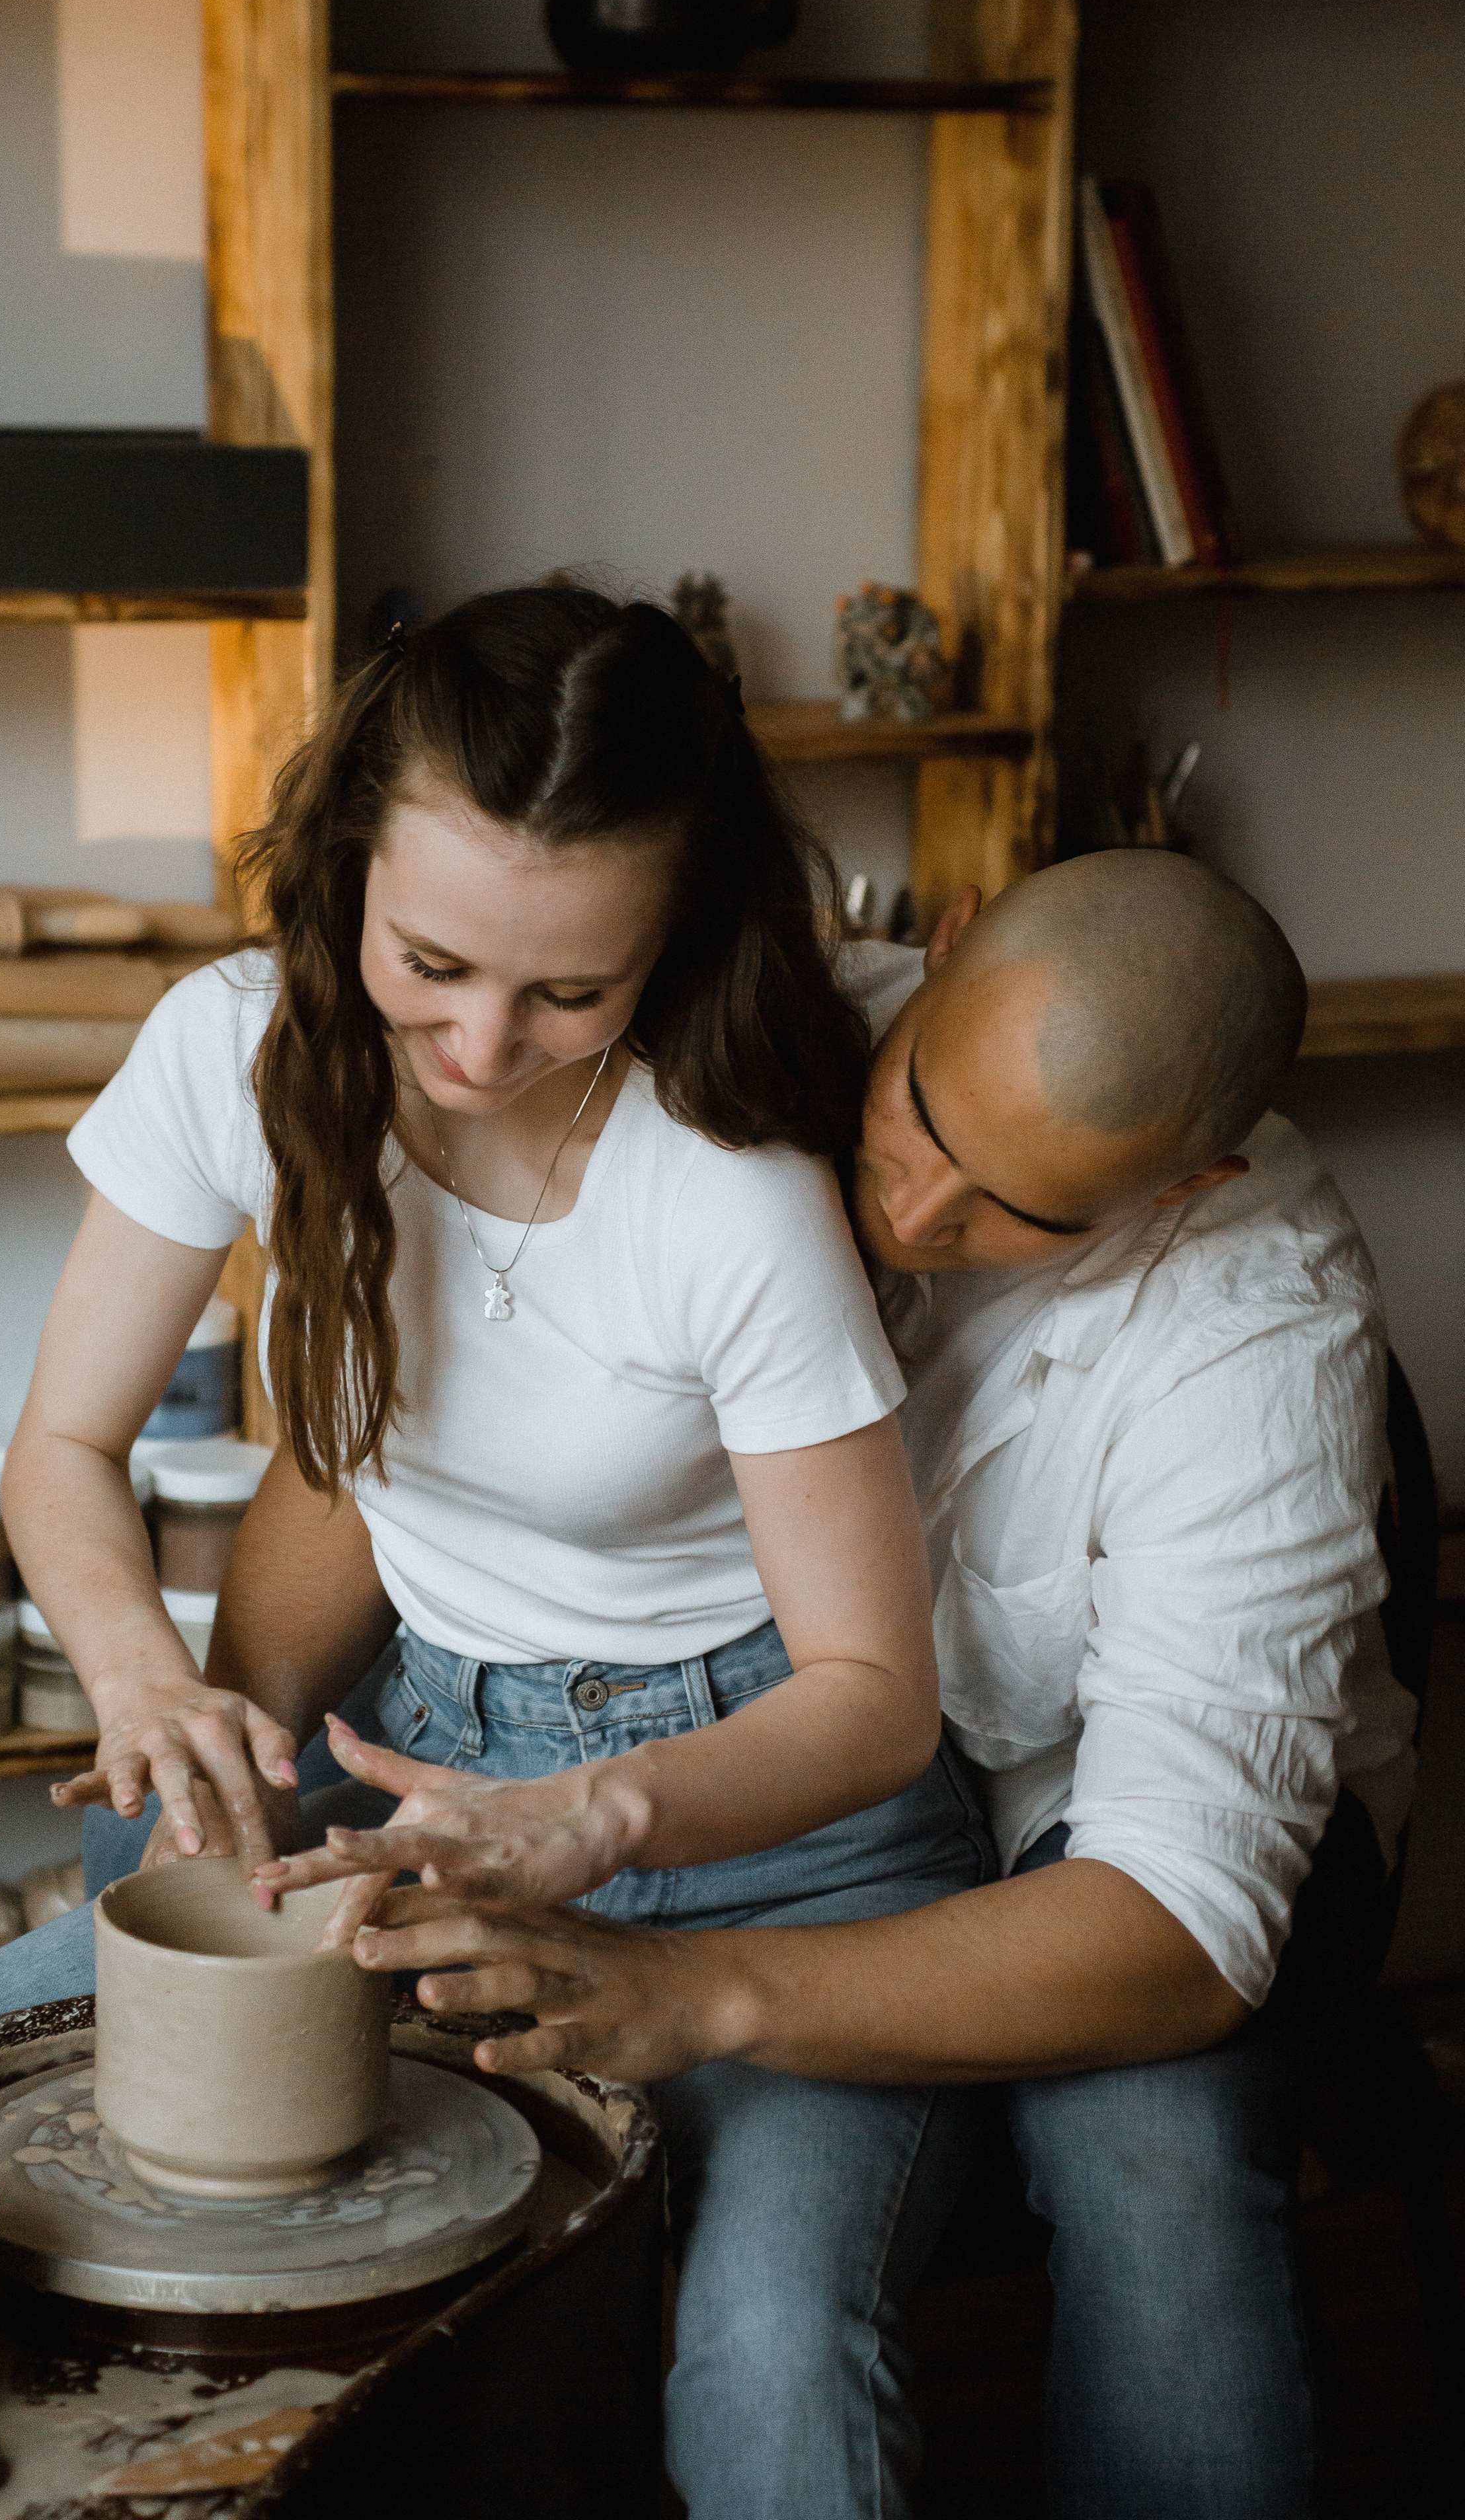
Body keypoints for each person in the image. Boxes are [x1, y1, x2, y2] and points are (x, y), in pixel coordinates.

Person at [0, 584, 980, 2520]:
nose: (481, 1044)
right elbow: (64, 1450)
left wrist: (596, 1815)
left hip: (774, 1838)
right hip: (421, 1774)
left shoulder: (728, 1192)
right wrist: (147, 1681)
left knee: (767, 2357)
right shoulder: (230, 1046)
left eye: (571, 992)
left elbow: (875, 1698)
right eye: (430, 962)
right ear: (351, 859)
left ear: (671, 935)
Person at [307, 850, 1415, 2520]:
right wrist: (224, 1705)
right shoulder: (776, 1027)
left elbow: (1181, 1923)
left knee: (1149, 2153)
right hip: (785, 1746)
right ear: (938, 948)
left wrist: (699, 1991)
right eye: (919, 1115)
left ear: (1194, 1178)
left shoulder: (1261, 1332)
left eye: (1023, 1211)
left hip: (1110, 1815)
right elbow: (434, 1419)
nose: (911, 1214)